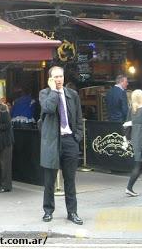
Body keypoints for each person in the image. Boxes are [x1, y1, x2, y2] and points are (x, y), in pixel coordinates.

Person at [39, 66, 84, 225]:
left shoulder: (72, 94)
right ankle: (48, 211)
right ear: (50, 79)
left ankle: (72, 212)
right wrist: (54, 92)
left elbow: (79, 117)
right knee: (49, 180)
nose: (58, 79)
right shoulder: (45, 94)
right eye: (55, 77)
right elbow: (48, 108)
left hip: (69, 140)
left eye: (60, 76)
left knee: (70, 180)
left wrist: (77, 136)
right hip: (52, 141)